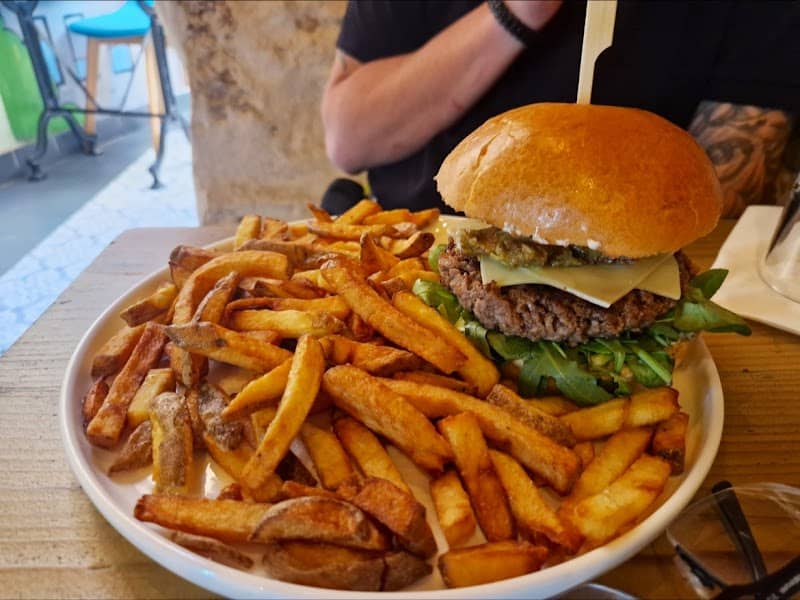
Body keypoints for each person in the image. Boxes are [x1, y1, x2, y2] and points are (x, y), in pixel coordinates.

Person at [321, 0, 800, 217]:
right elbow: (349, 137)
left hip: (631, 275)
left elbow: (714, 205)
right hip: (405, 252)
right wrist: (515, 14)